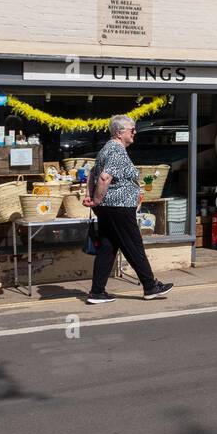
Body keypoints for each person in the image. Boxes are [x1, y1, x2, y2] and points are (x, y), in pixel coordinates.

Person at [82, 114, 174, 305]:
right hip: (119, 207)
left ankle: (97, 292)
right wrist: (96, 199)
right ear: (119, 132)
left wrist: (91, 197)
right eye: (132, 130)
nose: (135, 133)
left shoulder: (107, 148)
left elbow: (92, 173)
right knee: (134, 245)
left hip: (110, 208)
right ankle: (150, 286)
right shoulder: (116, 150)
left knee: (108, 247)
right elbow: (104, 178)